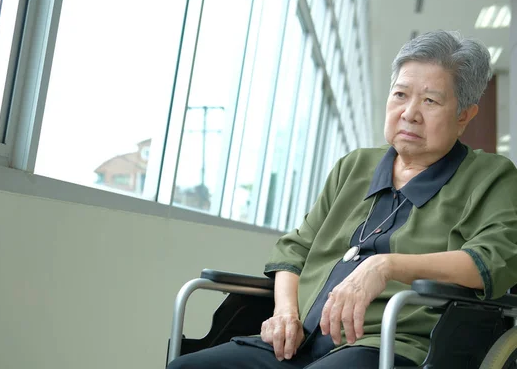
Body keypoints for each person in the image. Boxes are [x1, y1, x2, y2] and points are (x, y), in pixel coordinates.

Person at [168, 30, 517, 368]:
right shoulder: (355, 166)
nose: (409, 112)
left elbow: (494, 259)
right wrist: (285, 313)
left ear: (464, 116)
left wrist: (386, 265)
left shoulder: (491, 177)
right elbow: (295, 250)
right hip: (299, 341)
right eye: (400, 95)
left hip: (388, 345)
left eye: (430, 100)